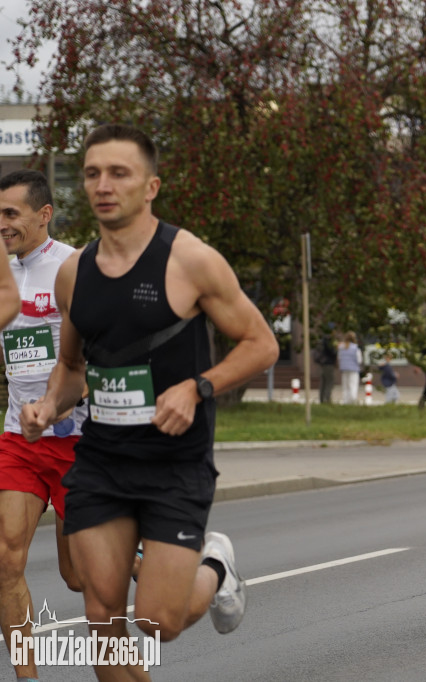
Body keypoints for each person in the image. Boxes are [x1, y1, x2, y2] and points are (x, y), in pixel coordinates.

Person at [20, 124, 279, 677]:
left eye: (119, 173)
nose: (103, 185)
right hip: (101, 460)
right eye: (92, 173)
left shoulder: (190, 260)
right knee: (100, 612)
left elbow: (262, 345)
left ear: (151, 186)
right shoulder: (74, 274)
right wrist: (47, 408)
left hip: (173, 462)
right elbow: (70, 368)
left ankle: (216, 564)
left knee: (160, 621)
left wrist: (198, 386)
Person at [0, 169, 89, 682]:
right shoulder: (3, 278)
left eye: (12, 214)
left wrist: (55, 407)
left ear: (44, 214)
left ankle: (185, 563)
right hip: (18, 440)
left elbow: (93, 356)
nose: (3, 224)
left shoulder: (74, 267)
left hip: (77, 440)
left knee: (77, 577)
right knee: (6, 562)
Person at [337, 331, 362, 405]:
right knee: (353, 385)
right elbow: (359, 360)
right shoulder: (355, 348)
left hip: (344, 369)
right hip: (353, 369)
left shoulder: (341, 347)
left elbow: (339, 358)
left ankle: (346, 401)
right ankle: (352, 401)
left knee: (345, 386)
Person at [315, 330, 337, 404]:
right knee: (329, 382)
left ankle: (322, 399)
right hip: (328, 364)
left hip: (322, 363)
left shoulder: (321, 341)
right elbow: (332, 352)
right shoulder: (328, 341)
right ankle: (327, 399)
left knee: (323, 382)